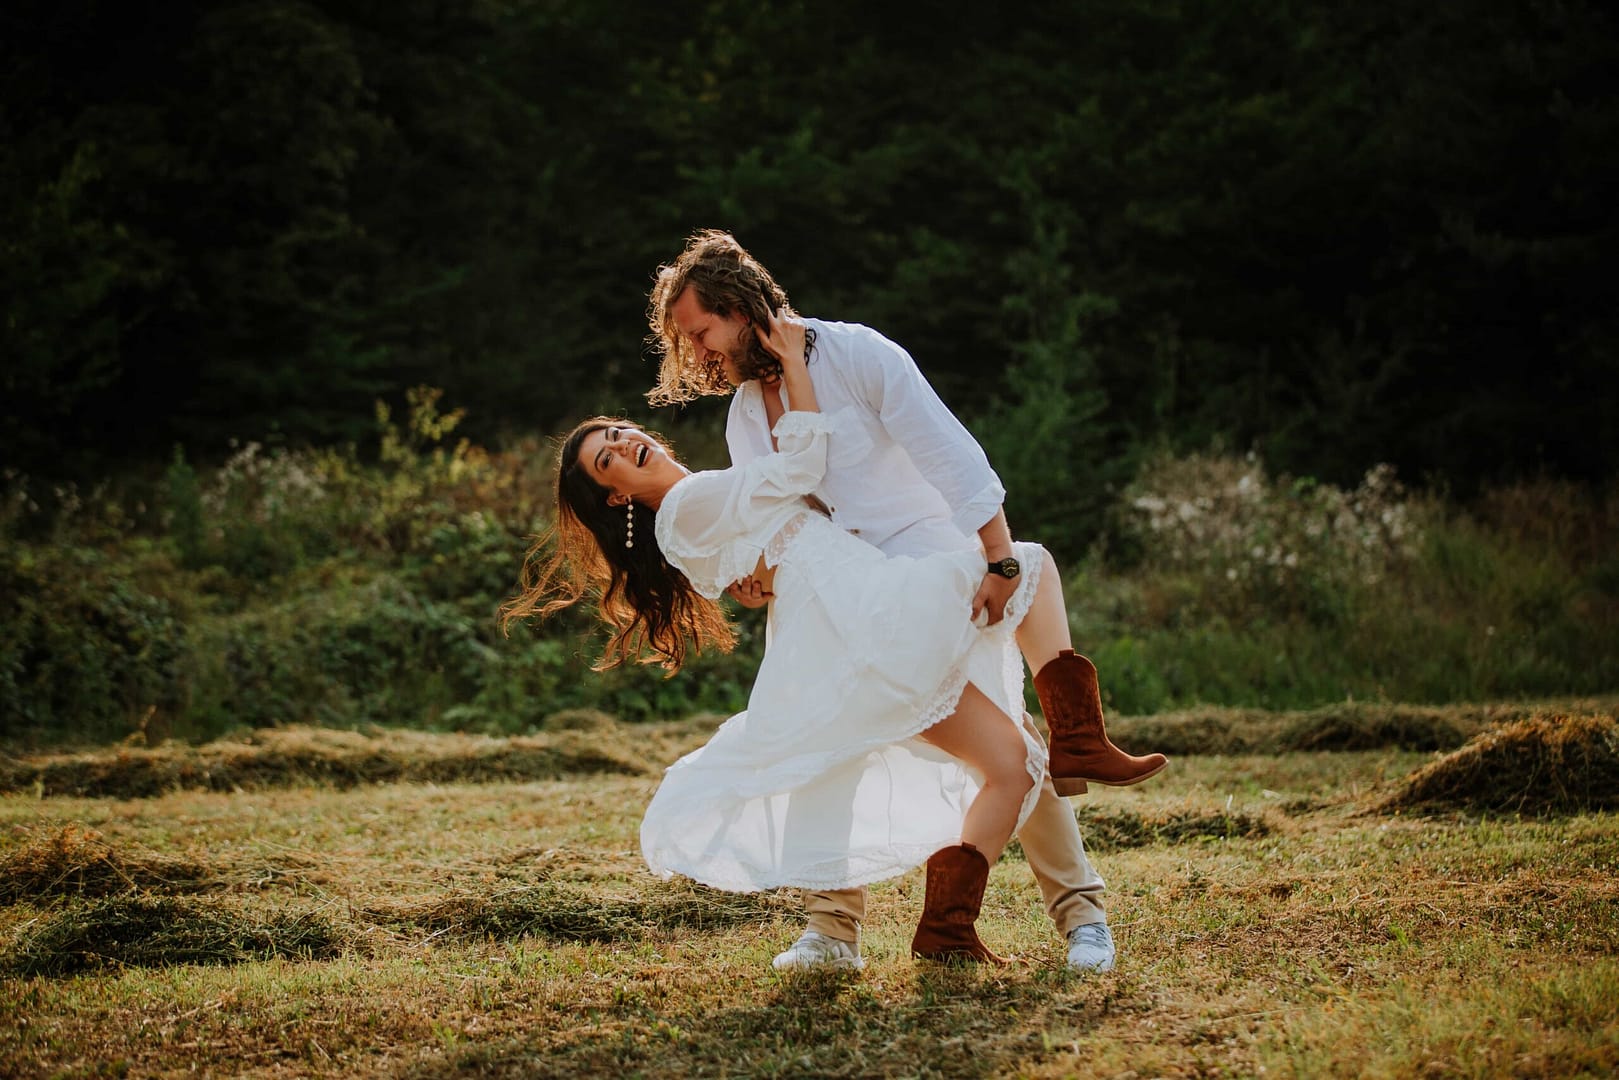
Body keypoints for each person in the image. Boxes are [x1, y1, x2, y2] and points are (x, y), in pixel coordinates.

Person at [645, 229, 1167, 974]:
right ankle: (832, 931)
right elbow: (778, 511)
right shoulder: (744, 416)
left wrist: (997, 557)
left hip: (935, 566)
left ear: (740, 307)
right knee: (837, 737)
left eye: (701, 332)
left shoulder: (858, 353)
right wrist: (754, 570)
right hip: (844, 594)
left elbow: (947, 452)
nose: (699, 354)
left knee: (1010, 738)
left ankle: (1081, 914)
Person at [505, 314, 1054, 963]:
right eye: (607, 459)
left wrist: (763, 564)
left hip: (853, 613)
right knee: (1023, 569)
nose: (624, 447)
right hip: (861, 621)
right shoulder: (688, 507)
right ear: (617, 497)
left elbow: (777, 530)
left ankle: (921, 926)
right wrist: (794, 363)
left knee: (986, 754)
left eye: (620, 434)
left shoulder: (703, 499)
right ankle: (1069, 751)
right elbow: (800, 467)